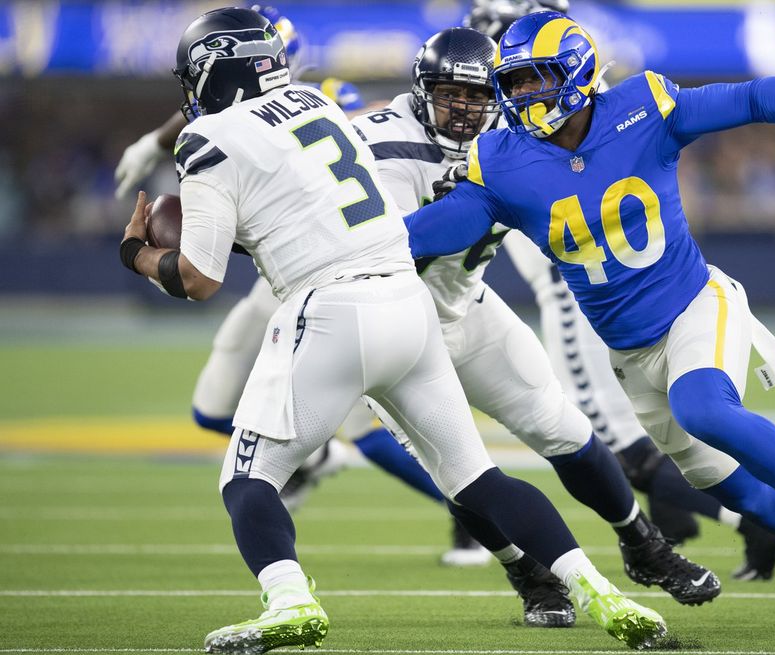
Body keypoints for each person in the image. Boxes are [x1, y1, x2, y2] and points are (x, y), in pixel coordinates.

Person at [119, 8, 669, 652]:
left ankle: (290, 601)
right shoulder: (315, 104)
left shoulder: (207, 137)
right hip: (409, 303)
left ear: (212, 70)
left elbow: (199, 279)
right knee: (478, 478)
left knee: (247, 479)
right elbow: (301, 210)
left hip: (327, 310)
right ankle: (600, 590)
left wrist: (134, 254)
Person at [403, 11, 775, 634]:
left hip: (695, 304)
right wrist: (374, 244)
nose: (525, 94)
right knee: (728, 486)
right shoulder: (500, 158)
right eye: (516, 81)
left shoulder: (641, 108)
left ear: (579, 72)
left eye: (537, 78)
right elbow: (448, 224)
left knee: (705, 409)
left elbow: (745, 98)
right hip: (630, 351)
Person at [350, 26, 720, 623]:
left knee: (567, 432)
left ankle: (643, 544)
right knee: (459, 469)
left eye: (477, 96)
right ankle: (529, 576)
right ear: (422, 92)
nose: (465, 109)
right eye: (450, 95)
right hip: (394, 332)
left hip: (468, 309)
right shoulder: (376, 139)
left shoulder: (514, 132)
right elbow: (359, 236)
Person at [113, 4, 490, 566]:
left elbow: (203, 271)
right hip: (276, 269)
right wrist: (156, 142)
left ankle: (472, 516)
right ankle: (315, 461)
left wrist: (141, 249)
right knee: (212, 408)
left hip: (332, 270)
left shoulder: (324, 100)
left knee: (365, 424)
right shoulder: (292, 105)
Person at [468, 0, 775, 580]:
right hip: (608, 293)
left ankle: (756, 524)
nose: (508, 84)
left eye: (521, 71)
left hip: (584, 298)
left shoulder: (526, 129)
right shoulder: (564, 112)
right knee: (649, 442)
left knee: (622, 449)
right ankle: (713, 520)